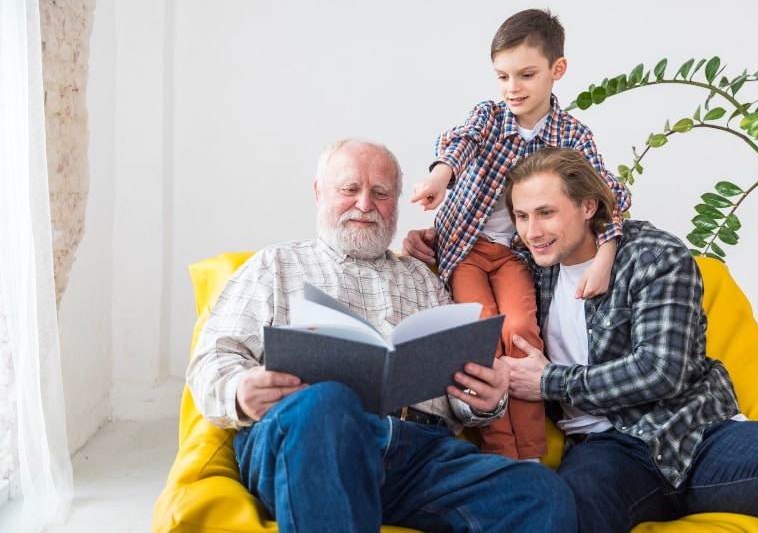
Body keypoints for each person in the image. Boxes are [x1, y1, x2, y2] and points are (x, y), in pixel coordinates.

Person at [186, 139, 576, 533]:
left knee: (541, 493)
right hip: (312, 441)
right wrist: (239, 390)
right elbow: (213, 358)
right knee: (327, 400)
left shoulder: (424, 279)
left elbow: (461, 389)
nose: (364, 204)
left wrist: (486, 400)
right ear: (319, 192)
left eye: (380, 193)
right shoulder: (275, 265)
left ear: (396, 202)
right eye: (349, 189)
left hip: (418, 452)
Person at [494, 146, 758, 532]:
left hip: (694, 433)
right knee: (570, 510)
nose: (533, 231)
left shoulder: (655, 256)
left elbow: (659, 371)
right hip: (606, 451)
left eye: (546, 213)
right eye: (522, 216)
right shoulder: (525, 270)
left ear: (587, 207)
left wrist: (549, 381)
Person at [409, 8, 631, 461]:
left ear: (557, 70)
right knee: (482, 334)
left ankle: (530, 459)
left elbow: (608, 195)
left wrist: (606, 252)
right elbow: (461, 142)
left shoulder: (572, 135)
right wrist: (439, 177)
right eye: (503, 76)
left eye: (526, 74)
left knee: (521, 334)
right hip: (466, 251)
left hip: (515, 256)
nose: (513, 88)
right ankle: (500, 458)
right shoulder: (490, 117)